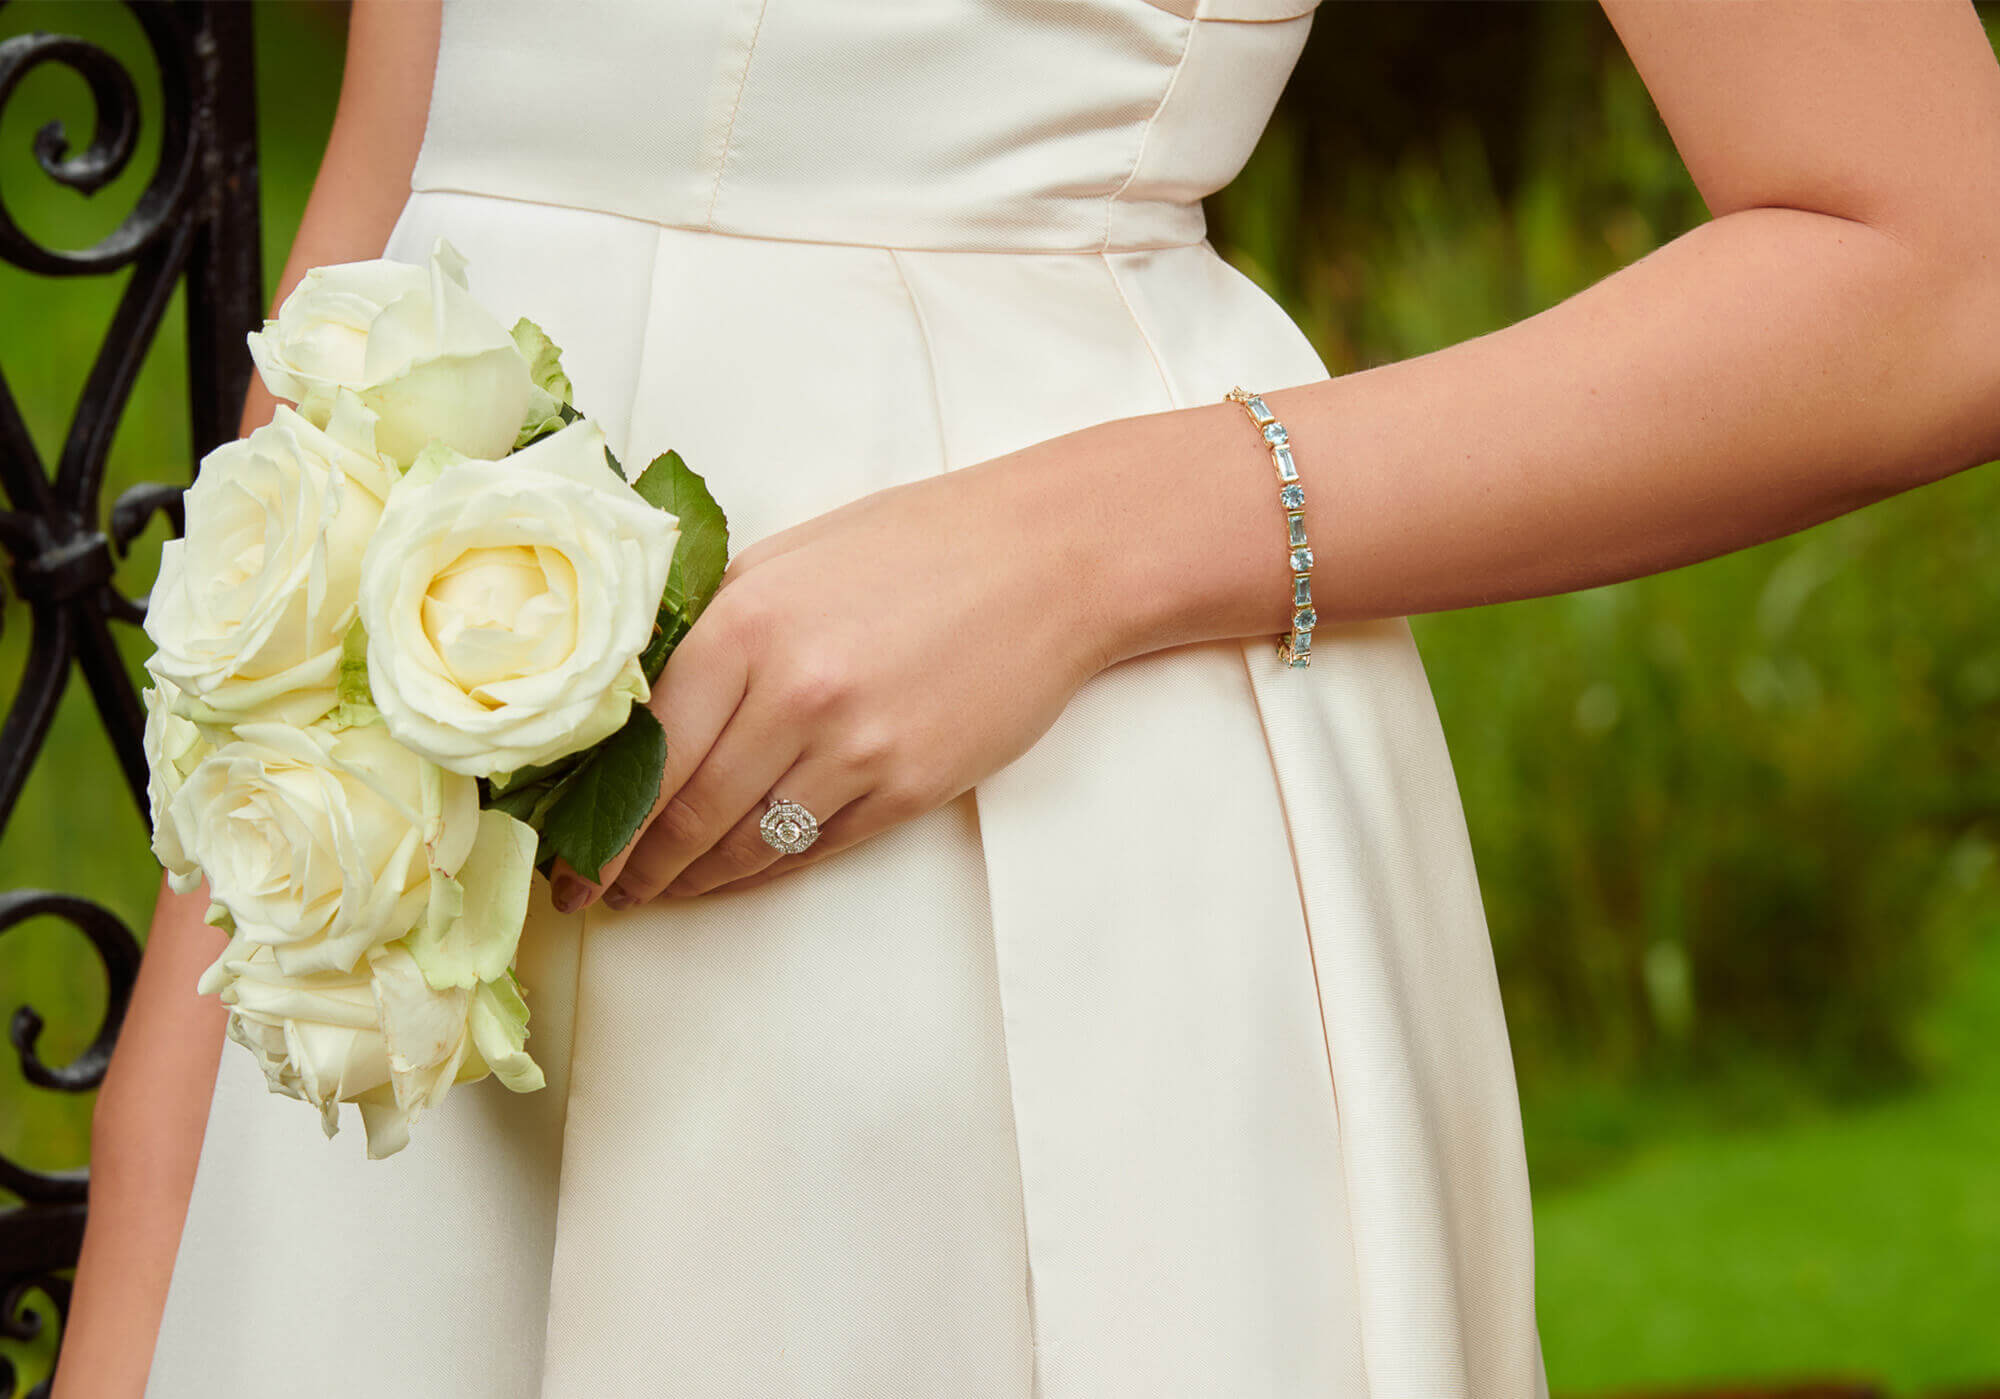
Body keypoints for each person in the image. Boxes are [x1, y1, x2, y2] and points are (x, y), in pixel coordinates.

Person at [57, 1, 2000, 1395]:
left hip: (1004, 854)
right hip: (389, 908)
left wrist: (1080, 549)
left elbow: (1939, 261)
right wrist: (160, 1190)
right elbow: (391, 202)